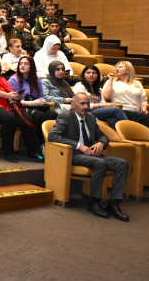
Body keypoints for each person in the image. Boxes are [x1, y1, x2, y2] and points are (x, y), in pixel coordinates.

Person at [48, 92, 130, 221]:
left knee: (122, 163)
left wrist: (101, 143)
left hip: (91, 154)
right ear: (73, 104)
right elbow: (52, 136)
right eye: (82, 103)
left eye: (87, 103)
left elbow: (102, 135)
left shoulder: (90, 118)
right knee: (100, 163)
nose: (86, 106)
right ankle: (94, 202)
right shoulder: (66, 116)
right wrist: (79, 146)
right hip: (73, 154)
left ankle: (113, 204)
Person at [102, 61, 149, 127]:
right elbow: (106, 97)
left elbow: (143, 100)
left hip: (137, 112)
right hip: (122, 111)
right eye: (116, 68)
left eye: (120, 67)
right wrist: (110, 80)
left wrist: (144, 109)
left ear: (128, 70)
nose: (117, 69)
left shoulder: (137, 83)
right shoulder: (112, 82)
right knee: (146, 119)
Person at [8, 55, 53, 129]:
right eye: (20, 63)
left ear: (31, 66)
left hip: (35, 105)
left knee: (52, 114)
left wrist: (41, 101)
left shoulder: (36, 79)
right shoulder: (13, 80)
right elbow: (13, 101)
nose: (22, 65)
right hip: (20, 107)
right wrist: (31, 103)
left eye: (26, 64)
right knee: (39, 116)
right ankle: (39, 139)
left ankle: (48, 139)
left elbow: (40, 95)